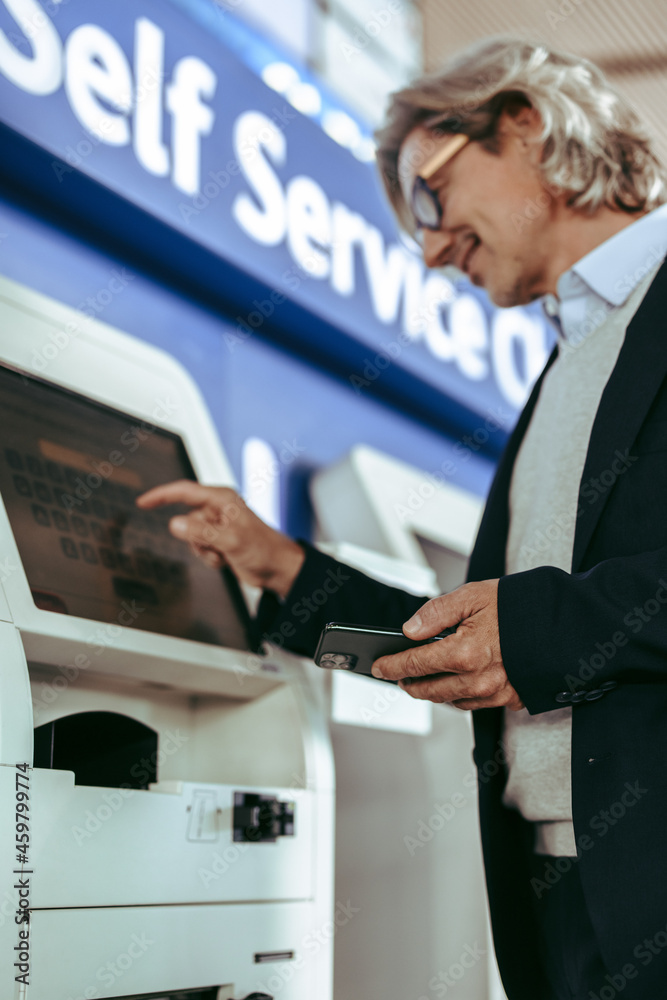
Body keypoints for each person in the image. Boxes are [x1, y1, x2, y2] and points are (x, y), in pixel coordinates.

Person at [137, 37, 667, 1000]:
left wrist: (546, 629)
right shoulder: (562, 371)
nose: (428, 249)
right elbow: (471, 639)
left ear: (524, 126)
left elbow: (538, 631)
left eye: (428, 198)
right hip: (557, 898)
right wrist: (285, 573)